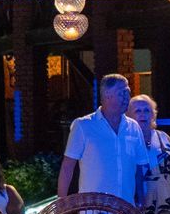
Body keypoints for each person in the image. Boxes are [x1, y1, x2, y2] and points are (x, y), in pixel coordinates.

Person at [58, 73, 143, 203]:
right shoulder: (83, 126)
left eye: (128, 93)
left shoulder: (134, 127)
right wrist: (61, 202)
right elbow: (67, 167)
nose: (127, 98)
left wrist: (142, 199)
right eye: (122, 93)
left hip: (126, 210)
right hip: (93, 211)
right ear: (107, 95)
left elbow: (140, 168)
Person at [129, 93, 170, 214]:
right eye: (138, 111)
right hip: (140, 202)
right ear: (128, 116)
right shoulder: (126, 141)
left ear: (152, 115)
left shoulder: (164, 138)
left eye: (147, 110)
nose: (142, 114)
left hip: (166, 198)